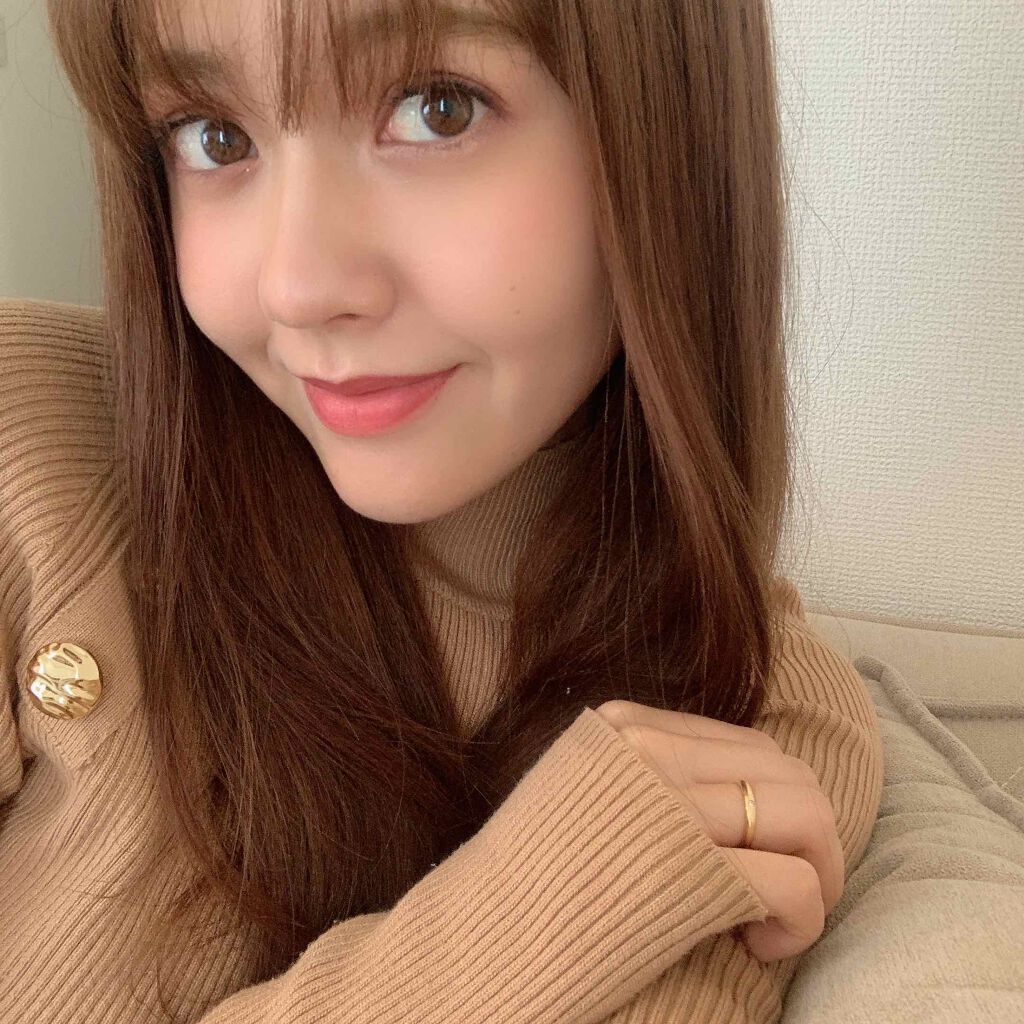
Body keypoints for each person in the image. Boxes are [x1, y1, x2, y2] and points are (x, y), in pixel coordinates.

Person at [0, 0, 884, 1021]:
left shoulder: (747, 731)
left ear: (668, 139)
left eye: (436, 108)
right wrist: (531, 919)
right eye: (216, 136)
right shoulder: (27, 439)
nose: (298, 286)